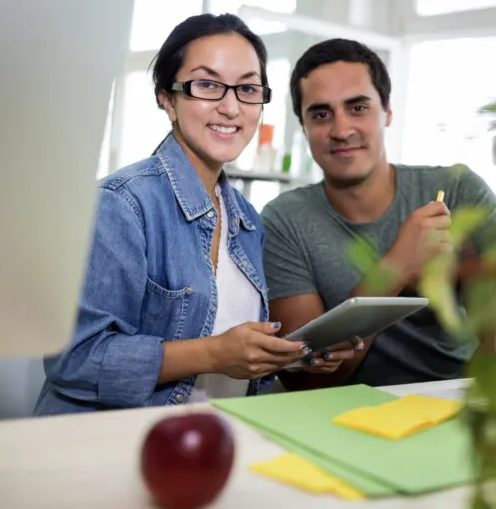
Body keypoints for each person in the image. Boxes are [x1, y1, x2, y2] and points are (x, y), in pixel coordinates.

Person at [33, 14, 312, 416]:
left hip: (209, 444)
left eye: (248, 88)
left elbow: (233, 359)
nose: (231, 107)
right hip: (108, 444)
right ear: (167, 98)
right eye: (208, 85)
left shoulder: (247, 220)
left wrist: (294, 356)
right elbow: (76, 359)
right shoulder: (121, 203)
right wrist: (213, 353)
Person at [261, 38, 496, 391]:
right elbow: (304, 379)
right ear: (303, 127)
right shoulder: (283, 221)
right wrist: (394, 269)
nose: (341, 130)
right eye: (320, 114)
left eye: (358, 107)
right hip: (337, 413)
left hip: (454, 400)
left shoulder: (457, 190)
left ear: (388, 111)